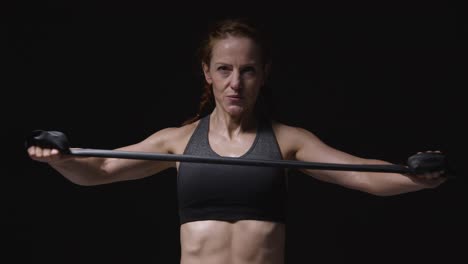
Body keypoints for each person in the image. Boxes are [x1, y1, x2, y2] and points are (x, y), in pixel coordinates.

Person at [27, 17, 446, 264]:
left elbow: (362, 176)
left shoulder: (288, 141)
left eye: (247, 70)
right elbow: (99, 170)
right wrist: (59, 159)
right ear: (207, 73)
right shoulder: (179, 141)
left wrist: (415, 178)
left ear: (264, 74)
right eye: (224, 69)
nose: (235, 83)